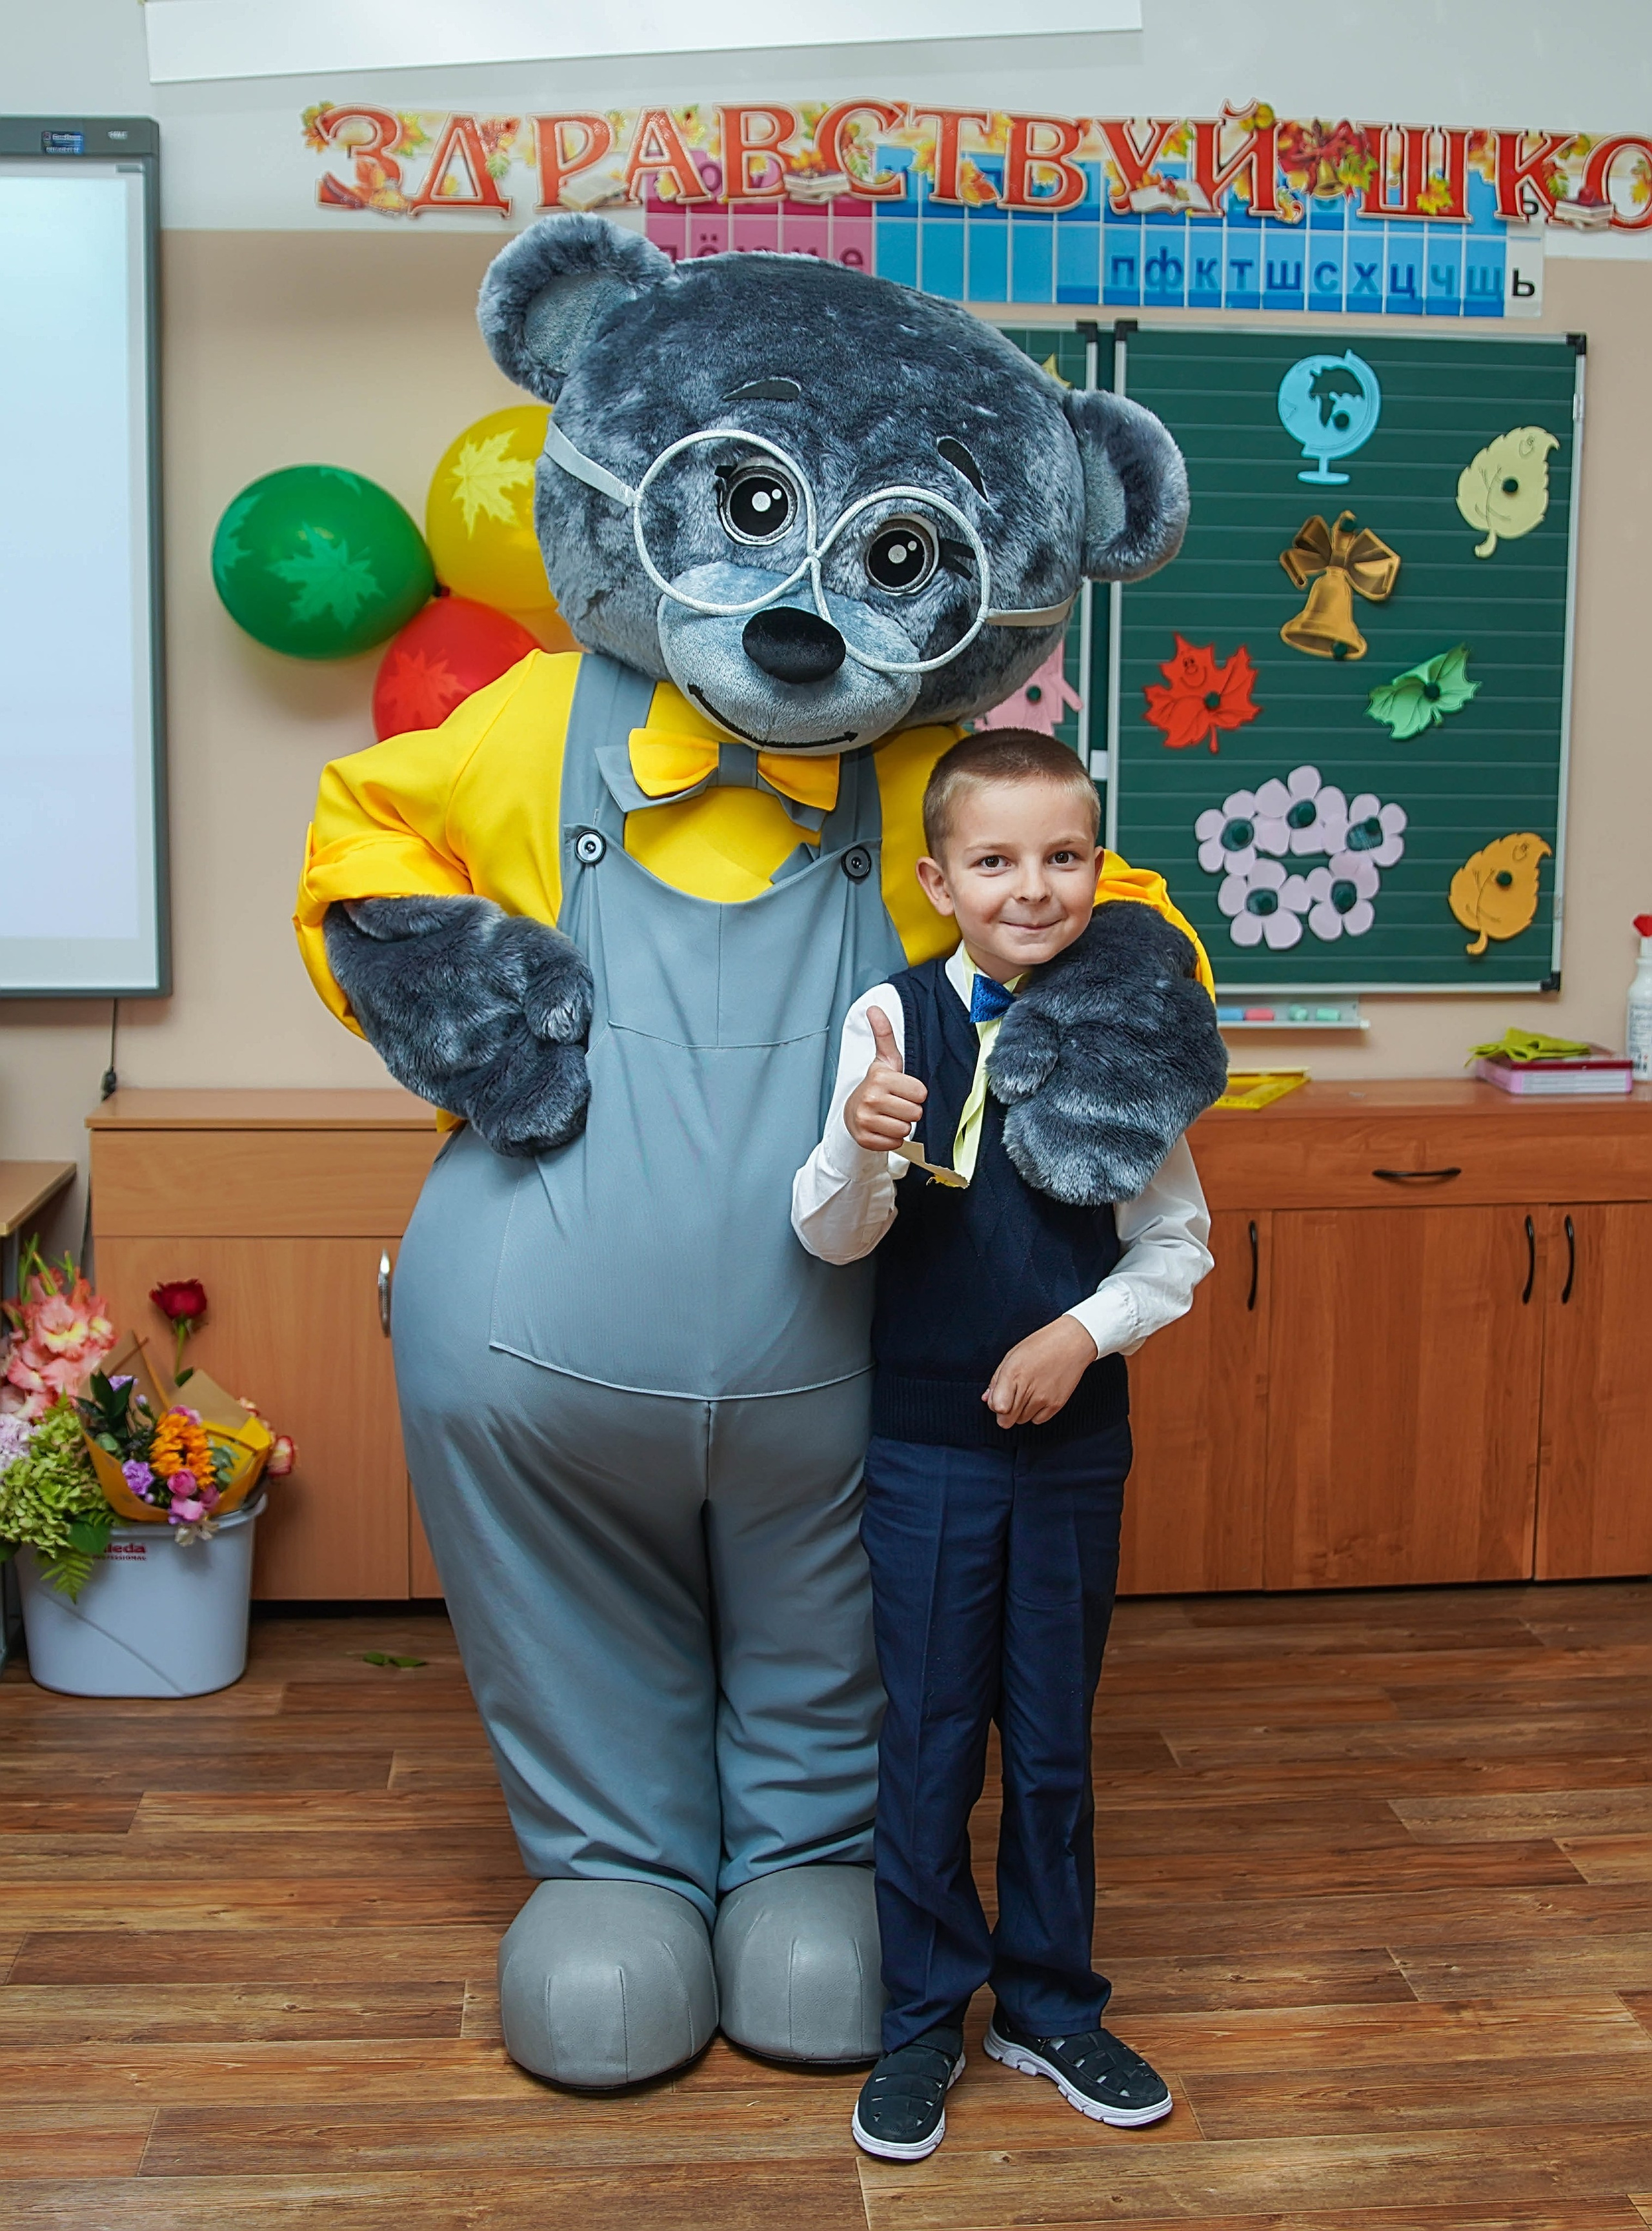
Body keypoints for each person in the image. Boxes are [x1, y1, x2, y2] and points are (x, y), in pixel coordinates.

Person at [791, 727, 1214, 2161]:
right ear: (938, 876)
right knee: (923, 1747)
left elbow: (1173, 1244)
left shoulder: (1129, 1020)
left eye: (1061, 855)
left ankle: (1046, 2002)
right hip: (922, 1448)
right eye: (994, 860)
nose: (1030, 888)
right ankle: (921, 2023)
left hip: (1074, 1449)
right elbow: (823, 1230)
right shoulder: (891, 1019)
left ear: (1095, 862)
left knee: (1048, 1739)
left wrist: (1078, 1335)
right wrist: (858, 1140)